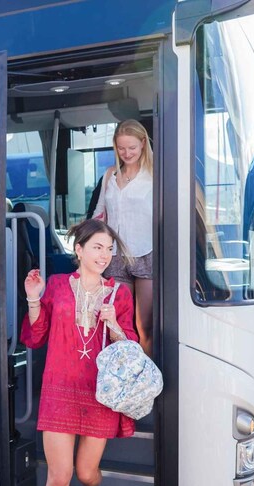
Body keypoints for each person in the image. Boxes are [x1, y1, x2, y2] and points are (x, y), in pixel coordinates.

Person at [21, 218, 138, 486]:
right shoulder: (57, 285)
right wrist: (33, 299)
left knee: (86, 472)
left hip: (99, 394)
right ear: (79, 249)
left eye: (109, 250)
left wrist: (113, 324)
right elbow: (37, 336)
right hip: (59, 389)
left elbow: (130, 347)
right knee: (60, 476)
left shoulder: (120, 294)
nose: (104, 255)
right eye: (97, 247)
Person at [92, 119, 154, 357]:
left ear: (143, 144)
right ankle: (122, 372)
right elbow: (99, 213)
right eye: (121, 148)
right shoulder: (110, 174)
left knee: (144, 325)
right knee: (117, 322)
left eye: (132, 147)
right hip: (115, 255)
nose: (127, 153)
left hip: (146, 252)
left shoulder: (154, 175)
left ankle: (146, 374)